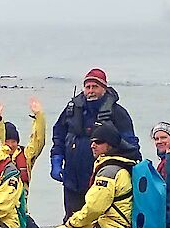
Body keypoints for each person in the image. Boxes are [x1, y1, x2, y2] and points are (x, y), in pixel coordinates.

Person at [50, 68, 138, 219]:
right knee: (71, 218)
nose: (91, 91)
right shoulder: (71, 110)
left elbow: (131, 147)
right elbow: (58, 136)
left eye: (95, 87)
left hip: (102, 180)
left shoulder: (118, 113)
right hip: (72, 178)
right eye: (88, 87)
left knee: (95, 219)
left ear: (104, 88)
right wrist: (56, 160)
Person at [50, 124, 137, 228]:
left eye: (99, 142)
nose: (93, 145)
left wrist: (73, 222)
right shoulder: (122, 166)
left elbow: (95, 208)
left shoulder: (109, 172)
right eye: (92, 142)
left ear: (110, 145)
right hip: (117, 226)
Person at [0, 97, 50, 228]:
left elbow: (38, 141)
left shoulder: (26, 155)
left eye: (14, 141)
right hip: (1, 213)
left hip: (22, 213)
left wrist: (39, 116)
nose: (10, 145)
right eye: (7, 141)